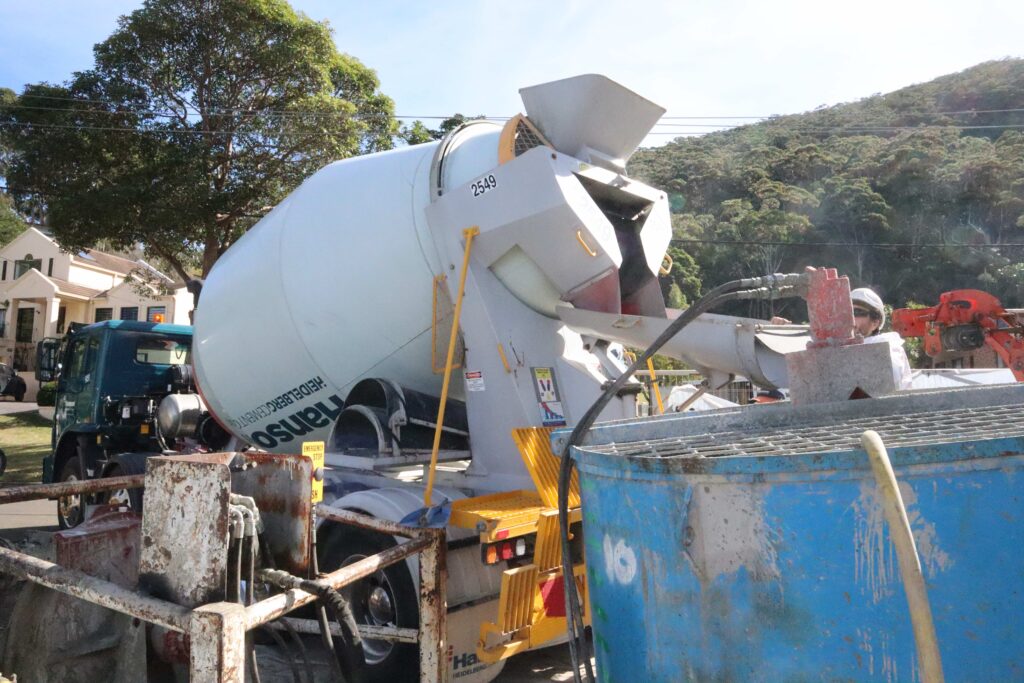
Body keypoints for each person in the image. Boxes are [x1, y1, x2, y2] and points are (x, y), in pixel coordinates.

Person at [850, 287, 913, 389]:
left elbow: (889, 385)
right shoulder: (836, 347)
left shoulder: (889, 348)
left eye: (857, 313)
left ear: (875, 322)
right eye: (848, 313)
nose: (851, 319)